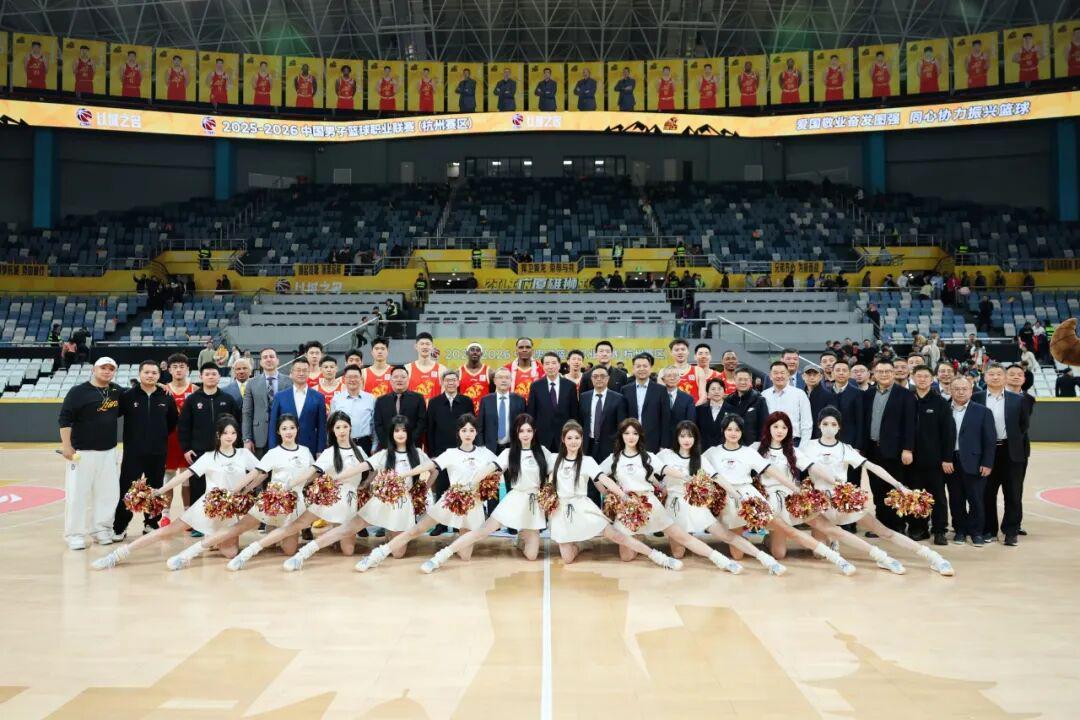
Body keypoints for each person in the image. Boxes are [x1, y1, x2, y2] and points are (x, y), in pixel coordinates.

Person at [795, 409, 955, 576]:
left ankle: (934, 557)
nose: (829, 427)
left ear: (839, 427)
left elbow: (873, 467)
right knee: (819, 554)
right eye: (825, 423)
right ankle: (833, 538)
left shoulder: (845, 449)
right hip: (819, 504)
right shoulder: (808, 447)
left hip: (844, 501)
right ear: (819, 425)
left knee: (885, 532)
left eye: (834, 424)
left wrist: (898, 485)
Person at [92, 416, 259, 570]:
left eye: (233, 433)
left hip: (229, 512)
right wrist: (159, 491)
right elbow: (183, 477)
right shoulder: (209, 457)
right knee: (167, 531)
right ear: (218, 435)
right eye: (225, 433)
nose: (230, 436)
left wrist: (246, 490)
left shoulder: (244, 454)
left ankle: (212, 537)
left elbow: (262, 471)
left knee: (230, 553)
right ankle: (116, 555)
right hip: (207, 507)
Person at [703, 414, 855, 574]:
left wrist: (797, 489)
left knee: (789, 531)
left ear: (742, 432)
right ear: (723, 431)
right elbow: (696, 466)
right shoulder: (713, 452)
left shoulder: (749, 452)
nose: (733, 433)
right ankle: (754, 547)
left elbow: (774, 472)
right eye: (729, 429)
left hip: (750, 500)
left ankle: (837, 559)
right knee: (737, 555)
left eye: (737, 430)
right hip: (727, 500)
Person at [230, 412, 376, 571]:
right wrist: (288, 485)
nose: (342, 431)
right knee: (293, 527)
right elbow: (310, 472)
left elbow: (373, 467)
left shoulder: (359, 450)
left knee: (348, 551)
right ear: (332, 430)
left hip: (349, 501)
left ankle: (331, 537)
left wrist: (366, 484)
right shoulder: (329, 452)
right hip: (329, 498)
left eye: (345, 427)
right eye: (338, 427)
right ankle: (249, 552)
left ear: (350, 428)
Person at [356, 414, 497, 571]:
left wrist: (486, 487)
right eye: (464, 430)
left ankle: (451, 548)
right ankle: (377, 555)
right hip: (451, 500)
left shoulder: (485, 453)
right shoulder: (451, 453)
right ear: (458, 433)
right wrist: (405, 474)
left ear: (476, 432)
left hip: (473, 505)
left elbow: (499, 468)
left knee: (465, 556)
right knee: (416, 530)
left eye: (471, 430)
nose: (468, 434)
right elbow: (428, 466)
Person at [595, 419, 739, 571]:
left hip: (649, 503)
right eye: (627, 433)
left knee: (682, 537)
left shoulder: (648, 456)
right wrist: (607, 494)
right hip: (627, 507)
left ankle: (722, 560)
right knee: (626, 557)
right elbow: (597, 476)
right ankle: (643, 539)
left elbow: (665, 469)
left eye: (635, 433)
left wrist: (686, 477)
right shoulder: (614, 458)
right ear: (621, 436)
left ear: (640, 436)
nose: (631, 437)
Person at [419, 415, 553, 572]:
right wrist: (471, 484)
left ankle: (522, 537)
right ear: (516, 433)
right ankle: (440, 557)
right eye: (521, 431)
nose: (525, 434)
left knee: (532, 556)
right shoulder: (509, 452)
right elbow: (489, 468)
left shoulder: (543, 452)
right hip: (515, 498)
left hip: (534, 503)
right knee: (482, 531)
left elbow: (554, 470)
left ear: (534, 432)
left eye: (529, 430)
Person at [544, 422, 678, 567]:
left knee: (617, 536)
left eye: (577, 438)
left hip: (582, 506)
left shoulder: (587, 461)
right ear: (563, 439)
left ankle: (658, 556)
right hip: (561, 510)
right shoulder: (553, 459)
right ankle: (581, 545)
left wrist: (624, 496)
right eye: (569, 438)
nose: (573, 442)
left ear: (582, 439)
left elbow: (605, 479)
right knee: (567, 559)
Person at [58, 357, 123, 551]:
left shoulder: (116, 391)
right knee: (77, 495)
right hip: (82, 453)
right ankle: (75, 535)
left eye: (111, 368)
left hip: (109, 452)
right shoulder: (78, 392)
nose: (107, 371)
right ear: (94, 370)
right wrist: (66, 446)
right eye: (103, 368)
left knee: (108, 494)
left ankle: (101, 530)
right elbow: (65, 419)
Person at [113, 360, 178, 540]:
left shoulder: (166, 396)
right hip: (133, 452)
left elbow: (172, 422)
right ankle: (120, 526)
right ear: (140, 374)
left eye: (154, 373)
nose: (150, 375)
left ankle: (151, 523)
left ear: (159, 375)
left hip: (157, 452)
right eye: (146, 372)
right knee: (127, 489)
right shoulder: (127, 396)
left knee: (155, 489)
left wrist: (158, 436)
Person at [177, 363, 242, 535]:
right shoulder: (192, 400)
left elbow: (237, 424)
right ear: (201, 376)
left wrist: (236, 447)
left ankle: (223, 520)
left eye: (214, 374)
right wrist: (186, 448)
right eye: (207, 374)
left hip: (223, 452)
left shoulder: (228, 399)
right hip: (198, 452)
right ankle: (198, 525)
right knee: (197, 488)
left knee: (221, 486)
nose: (211, 377)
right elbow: (183, 426)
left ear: (219, 376)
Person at [972, 363, 1029, 546]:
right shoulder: (976, 397)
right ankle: (989, 530)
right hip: (986, 453)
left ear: (1004, 378)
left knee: (1013, 494)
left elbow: (1023, 425)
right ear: (985, 377)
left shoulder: (1018, 399)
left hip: (1011, 452)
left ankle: (1011, 531)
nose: (995, 377)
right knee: (987, 493)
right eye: (991, 374)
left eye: (999, 374)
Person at [861, 359, 915, 534]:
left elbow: (910, 424)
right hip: (872, 449)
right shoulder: (868, 394)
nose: (884, 375)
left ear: (893, 373)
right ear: (874, 374)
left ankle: (897, 525)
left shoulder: (905, 395)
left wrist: (908, 448)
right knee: (877, 488)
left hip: (895, 450)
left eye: (887, 371)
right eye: (880, 372)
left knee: (895, 487)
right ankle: (881, 525)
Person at [946, 377, 996, 547]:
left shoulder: (983, 411)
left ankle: (976, 532)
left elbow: (989, 440)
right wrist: (944, 459)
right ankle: (960, 531)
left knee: (976, 499)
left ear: (971, 390)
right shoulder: (944, 409)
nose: (960, 392)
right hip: (950, 462)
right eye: (957, 388)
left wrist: (987, 463)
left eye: (964, 389)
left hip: (975, 462)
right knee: (956, 499)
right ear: (950, 390)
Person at [909, 365, 956, 545]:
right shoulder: (907, 399)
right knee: (916, 496)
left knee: (938, 498)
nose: (922, 379)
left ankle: (939, 530)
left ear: (932, 379)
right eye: (919, 376)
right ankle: (919, 528)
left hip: (935, 461)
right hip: (911, 461)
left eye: (926, 376)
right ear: (913, 378)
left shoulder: (940, 403)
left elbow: (948, 434)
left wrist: (946, 458)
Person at [578, 365, 628, 487]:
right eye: (595, 376)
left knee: (607, 480)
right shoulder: (584, 397)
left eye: (602, 376)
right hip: (588, 445)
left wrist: (618, 446)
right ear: (591, 379)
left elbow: (621, 426)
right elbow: (580, 421)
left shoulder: (618, 398)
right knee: (588, 479)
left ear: (608, 378)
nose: (599, 379)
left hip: (609, 446)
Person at [268, 357, 327, 457]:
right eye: (298, 370)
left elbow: (322, 426)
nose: (301, 373)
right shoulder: (280, 397)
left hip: (310, 448)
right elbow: (273, 425)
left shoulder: (318, 397)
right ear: (291, 373)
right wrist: (272, 449)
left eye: (305, 370)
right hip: (284, 448)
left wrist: (320, 450)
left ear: (309, 373)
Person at [527, 352, 579, 452]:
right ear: (543, 366)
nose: (550, 366)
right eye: (547, 363)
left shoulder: (570, 386)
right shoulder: (535, 386)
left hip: (565, 436)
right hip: (542, 436)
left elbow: (574, 414)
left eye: (554, 363)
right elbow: (531, 413)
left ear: (559, 365)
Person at [1004, 364, 1035, 537]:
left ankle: (1014, 524)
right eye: (1012, 374)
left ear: (1024, 379)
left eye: (1019, 374)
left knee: (1015, 490)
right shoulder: (996, 396)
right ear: (1005, 377)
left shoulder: (1028, 399)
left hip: (1018, 450)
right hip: (995, 449)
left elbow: (1023, 425)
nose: (1016, 377)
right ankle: (987, 526)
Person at [622, 352, 668, 452]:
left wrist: (663, 444)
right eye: (638, 366)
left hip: (653, 439)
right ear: (633, 369)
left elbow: (665, 418)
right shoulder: (625, 390)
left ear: (650, 368)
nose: (641, 369)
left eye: (645, 366)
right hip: (630, 439)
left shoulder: (661, 390)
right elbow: (622, 416)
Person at [373, 366, 426, 450]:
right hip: (388, 447)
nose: (399, 379)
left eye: (403, 377)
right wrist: (387, 444)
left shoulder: (418, 398)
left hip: (412, 446)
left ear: (408, 380)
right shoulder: (381, 401)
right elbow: (378, 425)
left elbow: (421, 422)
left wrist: (409, 441)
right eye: (396, 377)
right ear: (391, 380)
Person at [242, 347, 281, 458]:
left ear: (277, 360)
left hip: (283, 435)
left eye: (272, 356)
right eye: (265, 357)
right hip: (258, 437)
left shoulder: (289, 381)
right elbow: (247, 412)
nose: (268, 359)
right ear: (261, 362)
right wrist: (247, 439)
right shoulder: (251, 383)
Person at [761, 362, 812, 445]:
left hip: (794, 442)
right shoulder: (764, 395)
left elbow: (807, 423)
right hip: (770, 442)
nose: (779, 376)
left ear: (788, 375)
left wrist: (803, 447)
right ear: (770, 376)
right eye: (775, 373)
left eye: (782, 373)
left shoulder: (799, 394)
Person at [330, 364, 376, 454]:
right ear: (344, 379)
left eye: (355, 377)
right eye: (349, 377)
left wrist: (374, 445)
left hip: (365, 443)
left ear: (361, 379)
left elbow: (375, 424)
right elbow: (332, 424)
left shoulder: (371, 398)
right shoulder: (336, 399)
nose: (352, 380)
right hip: (342, 442)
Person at [718, 367, 769, 446]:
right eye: (740, 379)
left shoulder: (759, 400)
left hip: (752, 446)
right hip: (731, 445)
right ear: (735, 380)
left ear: (750, 381)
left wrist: (760, 445)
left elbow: (764, 426)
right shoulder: (728, 400)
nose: (742, 382)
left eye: (746, 380)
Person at [659, 366, 695, 446]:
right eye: (669, 376)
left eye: (675, 375)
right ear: (663, 379)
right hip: (659, 441)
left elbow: (690, 422)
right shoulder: (656, 397)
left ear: (679, 379)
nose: (672, 378)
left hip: (681, 441)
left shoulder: (688, 399)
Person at [458, 341, 493, 413]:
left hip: (483, 413)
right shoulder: (459, 372)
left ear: (481, 353)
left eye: (478, 350)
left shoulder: (489, 372)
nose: (475, 352)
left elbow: (493, 393)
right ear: (467, 353)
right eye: (472, 350)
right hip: (464, 414)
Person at [802, 367, 836, 439]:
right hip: (802, 435)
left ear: (820, 377)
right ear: (803, 377)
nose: (812, 377)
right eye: (809, 375)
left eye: (815, 375)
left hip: (820, 436)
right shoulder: (800, 394)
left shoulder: (828, 395)